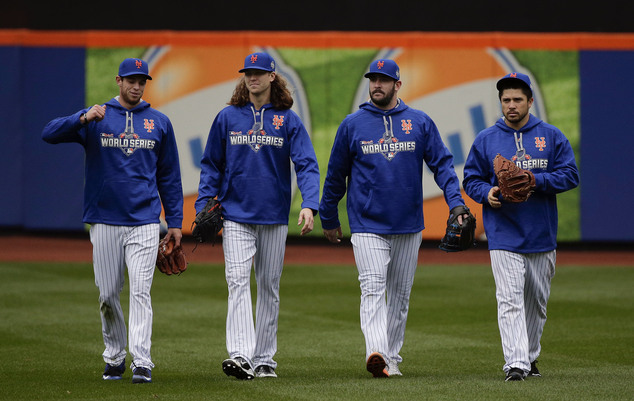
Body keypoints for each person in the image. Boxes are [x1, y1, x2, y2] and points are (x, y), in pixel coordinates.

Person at [319, 59, 469, 378]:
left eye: (384, 80)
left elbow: (442, 165)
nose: (377, 85)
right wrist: (329, 217)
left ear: (397, 85)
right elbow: (335, 176)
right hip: (366, 223)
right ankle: (377, 353)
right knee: (373, 287)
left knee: (399, 295)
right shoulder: (352, 124)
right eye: (373, 79)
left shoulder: (419, 122)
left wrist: (456, 204)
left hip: (408, 223)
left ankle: (391, 356)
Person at [42, 58, 184, 384]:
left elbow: (170, 176)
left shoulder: (159, 122)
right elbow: (48, 134)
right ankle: (115, 357)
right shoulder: (97, 118)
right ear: (118, 81)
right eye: (131, 80)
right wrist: (82, 118)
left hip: (146, 221)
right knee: (107, 295)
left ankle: (142, 362)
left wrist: (174, 223)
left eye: (141, 81)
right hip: (104, 220)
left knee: (140, 293)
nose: (136, 86)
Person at [195, 52, 320, 380]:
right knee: (237, 282)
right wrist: (203, 205)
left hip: (274, 217)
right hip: (235, 214)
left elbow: (306, 163)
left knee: (268, 286)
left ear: (272, 76)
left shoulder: (287, 120)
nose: (253, 77)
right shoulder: (228, 118)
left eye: (259, 72)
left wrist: (309, 204)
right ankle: (240, 354)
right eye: (249, 72)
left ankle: (264, 359)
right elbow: (211, 164)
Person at [462, 72, 579, 381]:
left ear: (529, 101)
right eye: (505, 100)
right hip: (503, 233)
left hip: (541, 233)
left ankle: (529, 357)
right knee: (509, 299)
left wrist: (535, 180)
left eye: (516, 99)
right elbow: (471, 178)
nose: (511, 105)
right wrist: (485, 193)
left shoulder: (551, 136)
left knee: (536, 305)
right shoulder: (487, 138)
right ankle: (516, 364)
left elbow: (570, 175)